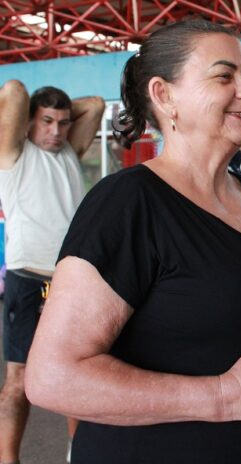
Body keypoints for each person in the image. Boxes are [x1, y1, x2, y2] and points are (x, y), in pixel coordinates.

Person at [24, 19, 241, 463]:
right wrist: (219, 396)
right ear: (164, 95)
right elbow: (51, 376)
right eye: (224, 75)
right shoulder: (129, 203)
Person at [0, 80, 105, 463]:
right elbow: (12, 90)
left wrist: (54, 115)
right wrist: (27, 119)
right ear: (28, 122)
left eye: (63, 122)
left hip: (69, 281)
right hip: (27, 277)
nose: (56, 131)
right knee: (17, 382)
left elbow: (94, 104)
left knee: (76, 375)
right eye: (46, 122)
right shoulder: (12, 152)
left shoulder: (68, 153)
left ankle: (76, 457)